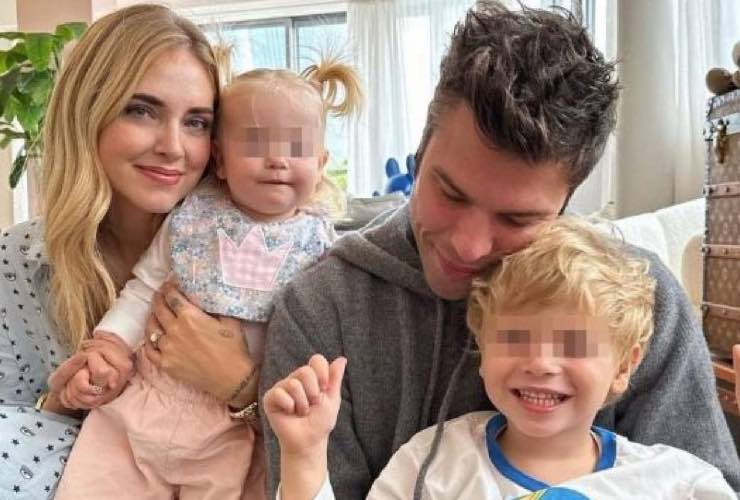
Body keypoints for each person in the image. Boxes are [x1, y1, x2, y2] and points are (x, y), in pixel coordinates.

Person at [259, 2, 740, 498]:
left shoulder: (640, 300)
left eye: (516, 219)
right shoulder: (323, 309)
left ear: (566, 203)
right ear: (420, 154)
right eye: (450, 193)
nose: (468, 246)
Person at [54, 60, 362, 499]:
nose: (277, 160)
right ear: (220, 160)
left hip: (236, 431)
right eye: (255, 144)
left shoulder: (322, 247)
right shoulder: (193, 220)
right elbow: (144, 289)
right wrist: (110, 345)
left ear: (320, 162)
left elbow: (324, 338)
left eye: (296, 147)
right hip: (145, 405)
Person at [265, 217, 735, 499]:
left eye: (572, 344)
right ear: (482, 347)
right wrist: (304, 456)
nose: (541, 363)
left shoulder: (672, 480)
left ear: (624, 366)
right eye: (515, 338)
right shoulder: (434, 462)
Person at [0, 5, 260, 499]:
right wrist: (62, 402)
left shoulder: (255, 257)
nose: (173, 147)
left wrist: (243, 386)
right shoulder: (16, 262)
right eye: (141, 110)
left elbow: (332, 440)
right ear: (87, 113)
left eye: (197, 122)